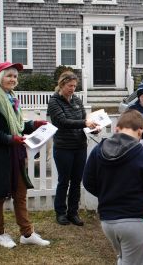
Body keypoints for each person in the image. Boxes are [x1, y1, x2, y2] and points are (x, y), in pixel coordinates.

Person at [83, 109, 143, 265]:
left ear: (117, 129)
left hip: (108, 221)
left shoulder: (98, 151)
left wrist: (106, 194)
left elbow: (88, 181)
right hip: (135, 220)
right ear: (141, 132)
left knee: (123, 258)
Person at [0, 62, 50, 248]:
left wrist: (33, 124)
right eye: (9, 75)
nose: (13, 79)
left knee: (20, 192)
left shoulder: (11, 98)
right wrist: (10, 139)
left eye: (15, 76)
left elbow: (17, 125)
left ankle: (27, 233)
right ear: (0, 77)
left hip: (15, 152)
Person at [47, 71, 98, 226]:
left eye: (75, 86)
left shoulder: (76, 100)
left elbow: (85, 119)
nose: (73, 88)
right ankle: (60, 213)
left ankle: (73, 212)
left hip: (80, 146)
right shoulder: (54, 101)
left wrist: (93, 128)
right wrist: (84, 123)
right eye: (70, 85)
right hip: (63, 147)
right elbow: (62, 122)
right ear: (62, 84)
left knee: (77, 181)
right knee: (64, 181)